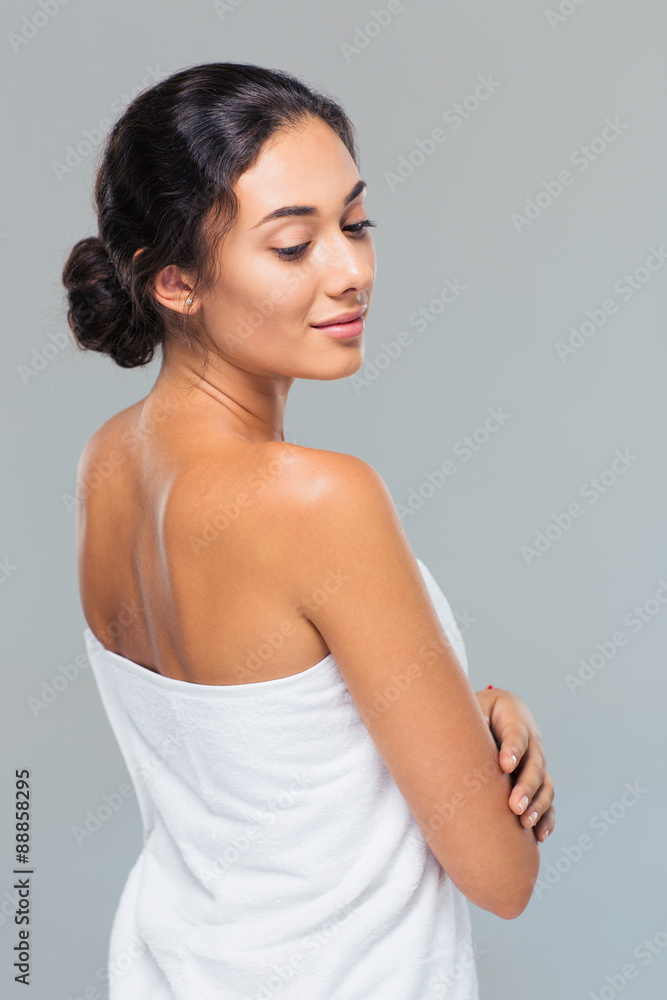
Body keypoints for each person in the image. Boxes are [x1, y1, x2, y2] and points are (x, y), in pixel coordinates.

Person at [63, 62, 555, 999]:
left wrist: (458, 711)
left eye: (356, 224)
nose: (351, 271)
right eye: (293, 246)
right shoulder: (318, 500)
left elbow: (261, 753)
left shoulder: (106, 465)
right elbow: (501, 877)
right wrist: (497, 743)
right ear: (174, 281)